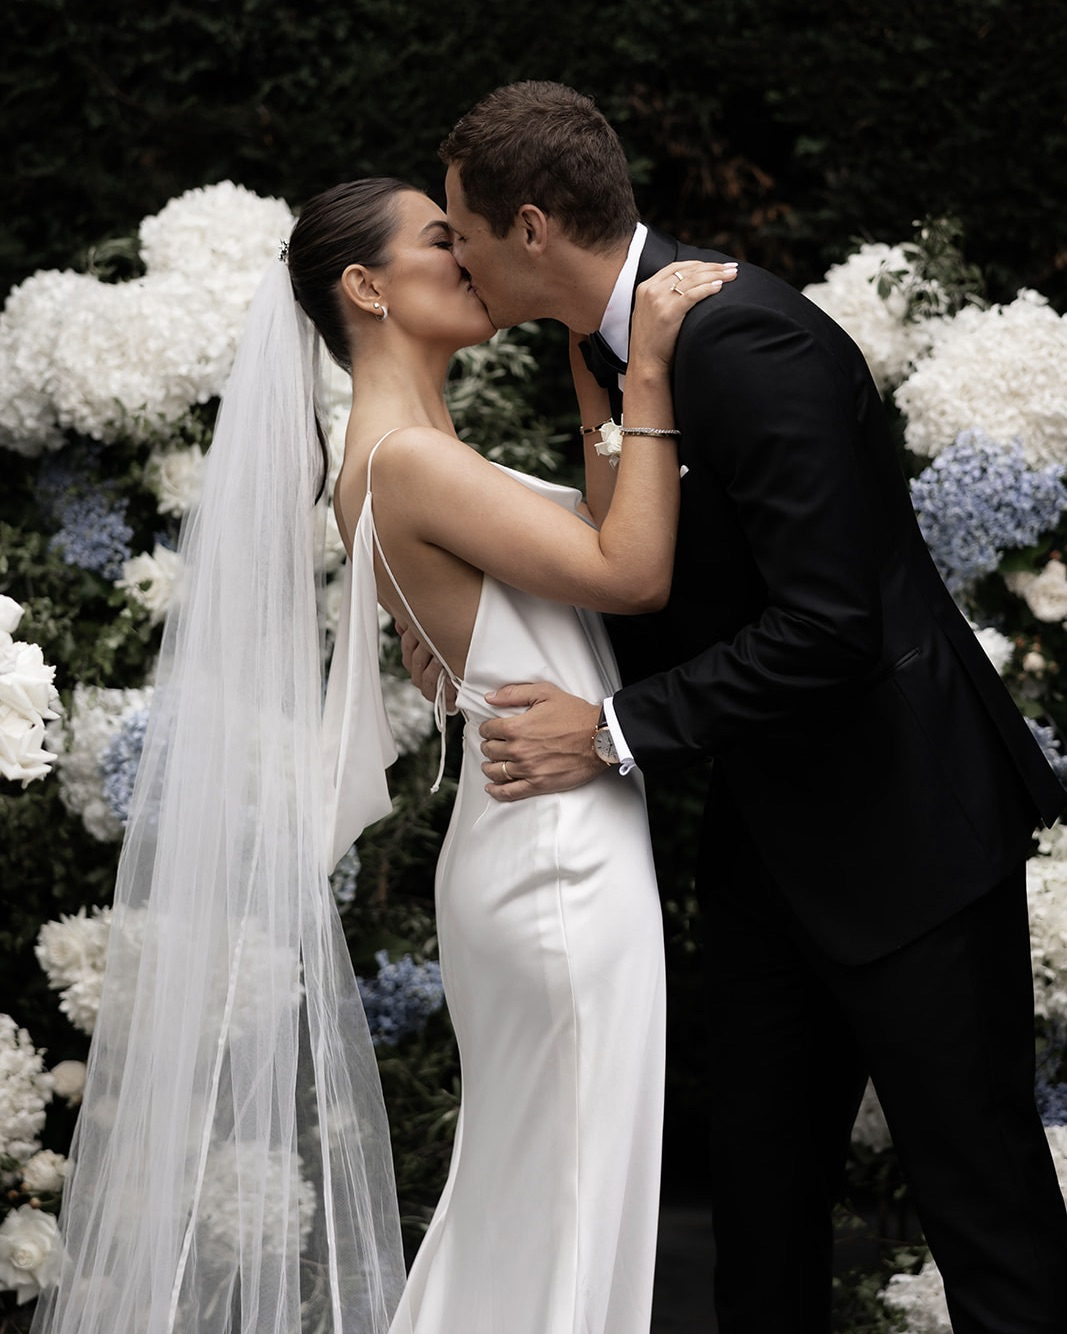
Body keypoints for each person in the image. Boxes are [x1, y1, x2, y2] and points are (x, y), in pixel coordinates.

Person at [410, 81, 1067, 1334]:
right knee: (758, 1226)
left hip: (907, 835)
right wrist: (463, 622)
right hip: (768, 844)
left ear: (532, 228)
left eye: (466, 230)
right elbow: (650, 581)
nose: (459, 255)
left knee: (985, 1214)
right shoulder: (612, 355)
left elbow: (828, 624)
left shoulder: (743, 337)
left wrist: (607, 731)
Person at [30, 173, 734, 1334]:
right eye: (439, 238)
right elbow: (630, 572)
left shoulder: (415, 450)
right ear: (366, 287)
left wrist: (589, 379)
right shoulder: (405, 459)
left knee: (540, 1201)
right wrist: (646, 367)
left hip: (549, 825)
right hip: (551, 849)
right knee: (559, 1204)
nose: (469, 253)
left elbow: (596, 549)